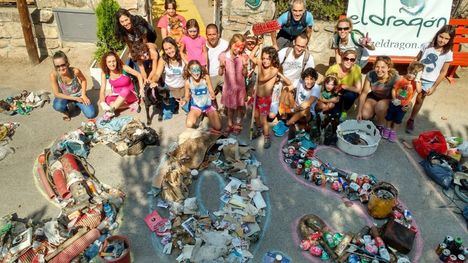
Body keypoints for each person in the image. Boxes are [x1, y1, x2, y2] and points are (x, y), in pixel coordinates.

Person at [406, 25, 455, 133]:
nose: (442, 40)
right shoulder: (426, 46)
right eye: (441, 36)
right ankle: (397, 116)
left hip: (429, 81)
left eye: (447, 39)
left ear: (450, 40)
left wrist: (434, 87)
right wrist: (411, 72)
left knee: (419, 100)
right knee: (406, 96)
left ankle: (411, 119)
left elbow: (443, 72)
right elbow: (416, 59)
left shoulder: (448, 53)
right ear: (437, 34)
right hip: (416, 77)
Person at [272, 33, 315, 118]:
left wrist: (293, 85)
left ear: (306, 46)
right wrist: (282, 78)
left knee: (289, 94)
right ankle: (277, 110)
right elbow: (273, 67)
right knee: (272, 114)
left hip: (296, 83)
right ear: (294, 42)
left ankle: (284, 114)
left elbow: (309, 78)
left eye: (302, 47)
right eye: (298, 45)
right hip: (280, 79)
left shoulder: (308, 58)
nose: (299, 49)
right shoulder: (285, 52)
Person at [274, 68, 321, 138]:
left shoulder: (316, 88)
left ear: (315, 80)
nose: (309, 82)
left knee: (305, 108)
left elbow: (308, 103)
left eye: (312, 79)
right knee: (287, 92)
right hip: (295, 108)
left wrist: (294, 109)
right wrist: (282, 106)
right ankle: (283, 118)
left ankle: (287, 125)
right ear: (303, 78)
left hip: (307, 114)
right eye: (307, 79)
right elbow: (288, 88)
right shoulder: (300, 81)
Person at [383, 62, 424, 142]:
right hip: (395, 102)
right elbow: (394, 89)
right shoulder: (402, 79)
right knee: (389, 116)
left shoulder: (416, 83)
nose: (411, 76)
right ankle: (387, 129)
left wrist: (417, 79)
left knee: (398, 119)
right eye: (410, 73)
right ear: (408, 70)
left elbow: (419, 91)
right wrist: (394, 99)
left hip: (404, 105)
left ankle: (393, 131)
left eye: (415, 74)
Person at [50, 51, 96, 120]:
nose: (61, 68)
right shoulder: (54, 75)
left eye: (63, 65)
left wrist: (83, 95)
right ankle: (66, 110)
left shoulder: (75, 71)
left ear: (67, 63)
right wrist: (74, 99)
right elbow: (56, 94)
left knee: (91, 114)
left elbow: (83, 80)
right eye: (58, 66)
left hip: (78, 95)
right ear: (55, 67)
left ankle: (74, 104)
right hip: (65, 96)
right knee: (57, 106)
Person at [356, 56, 399, 129]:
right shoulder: (370, 74)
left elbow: (398, 96)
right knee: (365, 115)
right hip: (374, 97)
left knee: (380, 106)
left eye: (383, 67)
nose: (379, 70)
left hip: (388, 99)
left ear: (388, 68)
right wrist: (359, 112)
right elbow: (364, 93)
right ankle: (374, 113)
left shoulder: (395, 77)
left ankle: (380, 124)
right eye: (377, 67)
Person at [250, 46, 280, 149]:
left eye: (268, 59)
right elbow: (251, 56)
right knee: (255, 116)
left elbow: (262, 78)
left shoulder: (274, 70)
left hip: (264, 99)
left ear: (273, 59)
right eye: (263, 58)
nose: (265, 61)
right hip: (257, 96)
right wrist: (258, 45)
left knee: (263, 119)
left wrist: (259, 66)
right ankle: (258, 129)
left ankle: (267, 136)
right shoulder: (260, 63)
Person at [219, 34, 249, 135]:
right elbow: (220, 73)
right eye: (237, 46)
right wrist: (222, 66)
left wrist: (245, 66)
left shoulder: (243, 56)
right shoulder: (224, 55)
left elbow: (245, 75)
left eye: (241, 47)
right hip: (229, 88)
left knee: (240, 107)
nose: (239, 49)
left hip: (240, 87)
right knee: (230, 108)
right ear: (232, 43)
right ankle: (230, 124)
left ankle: (238, 124)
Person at [99, 51, 143, 117]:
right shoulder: (105, 73)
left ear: (117, 61)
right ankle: (130, 105)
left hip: (130, 94)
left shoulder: (124, 68)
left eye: (114, 61)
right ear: (106, 63)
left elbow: (138, 75)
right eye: (109, 62)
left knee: (125, 90)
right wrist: (102, 102)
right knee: (107, 100)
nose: (112, 64)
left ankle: (110, 112)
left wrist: (141, 89)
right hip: (117, 96)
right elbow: (102, 91)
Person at [181, 60, 221, 131]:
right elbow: (187, 97)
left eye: (198, 70)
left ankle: (206, 114)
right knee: (189, 124)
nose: (196, 73)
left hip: (208, 105)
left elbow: (211, 90)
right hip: (196, 106)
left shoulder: (206, 77)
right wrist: (184, 101)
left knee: (218, 127)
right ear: (189, 71)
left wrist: (213, 95)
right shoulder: (188, 82)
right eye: (193, 70)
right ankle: (199, 115)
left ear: (201, 69)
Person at [153, 37, 187, 117]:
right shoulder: (163, 59)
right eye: (166, 49)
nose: (169, 51)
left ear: (175, 46)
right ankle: (173, 103)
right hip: (170, 89)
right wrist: (154, 81)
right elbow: (157, 74)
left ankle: (178, 101)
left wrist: (182, 56)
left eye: (170, 48)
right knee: (167, 115)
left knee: (188, 109)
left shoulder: (183, 56)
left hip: (183, 88)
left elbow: (191, 68)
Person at [325, 50, 362, 117]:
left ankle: (345, 109)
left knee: (350, 95)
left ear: (355, 61)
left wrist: (344, 86)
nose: (349, 61)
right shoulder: (333, 68)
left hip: (349, 91)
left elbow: (358, 89)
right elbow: (326, 83)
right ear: (342, 58)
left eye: (352, 60)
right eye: (346, 58)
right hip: (335, 91)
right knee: (334, 114)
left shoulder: (356, 69)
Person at [206, 23, 229, 97]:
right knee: (208, 97)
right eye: (209, 35)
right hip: (210, 76)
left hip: (223, 74)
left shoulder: (225, 44)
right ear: (206, 35)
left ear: (218, 34)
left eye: (214, 34)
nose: (212, 37)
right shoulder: (203, 46)